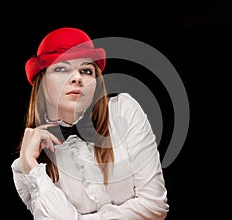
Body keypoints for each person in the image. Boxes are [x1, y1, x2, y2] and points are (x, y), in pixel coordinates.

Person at [11, 27, 169, 219]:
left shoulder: (124, 111)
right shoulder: (26, 167)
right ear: (42, 83)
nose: (77, 78)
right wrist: (31, 167)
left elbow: (155, 206)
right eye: (61, 68)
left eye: (86, 70)